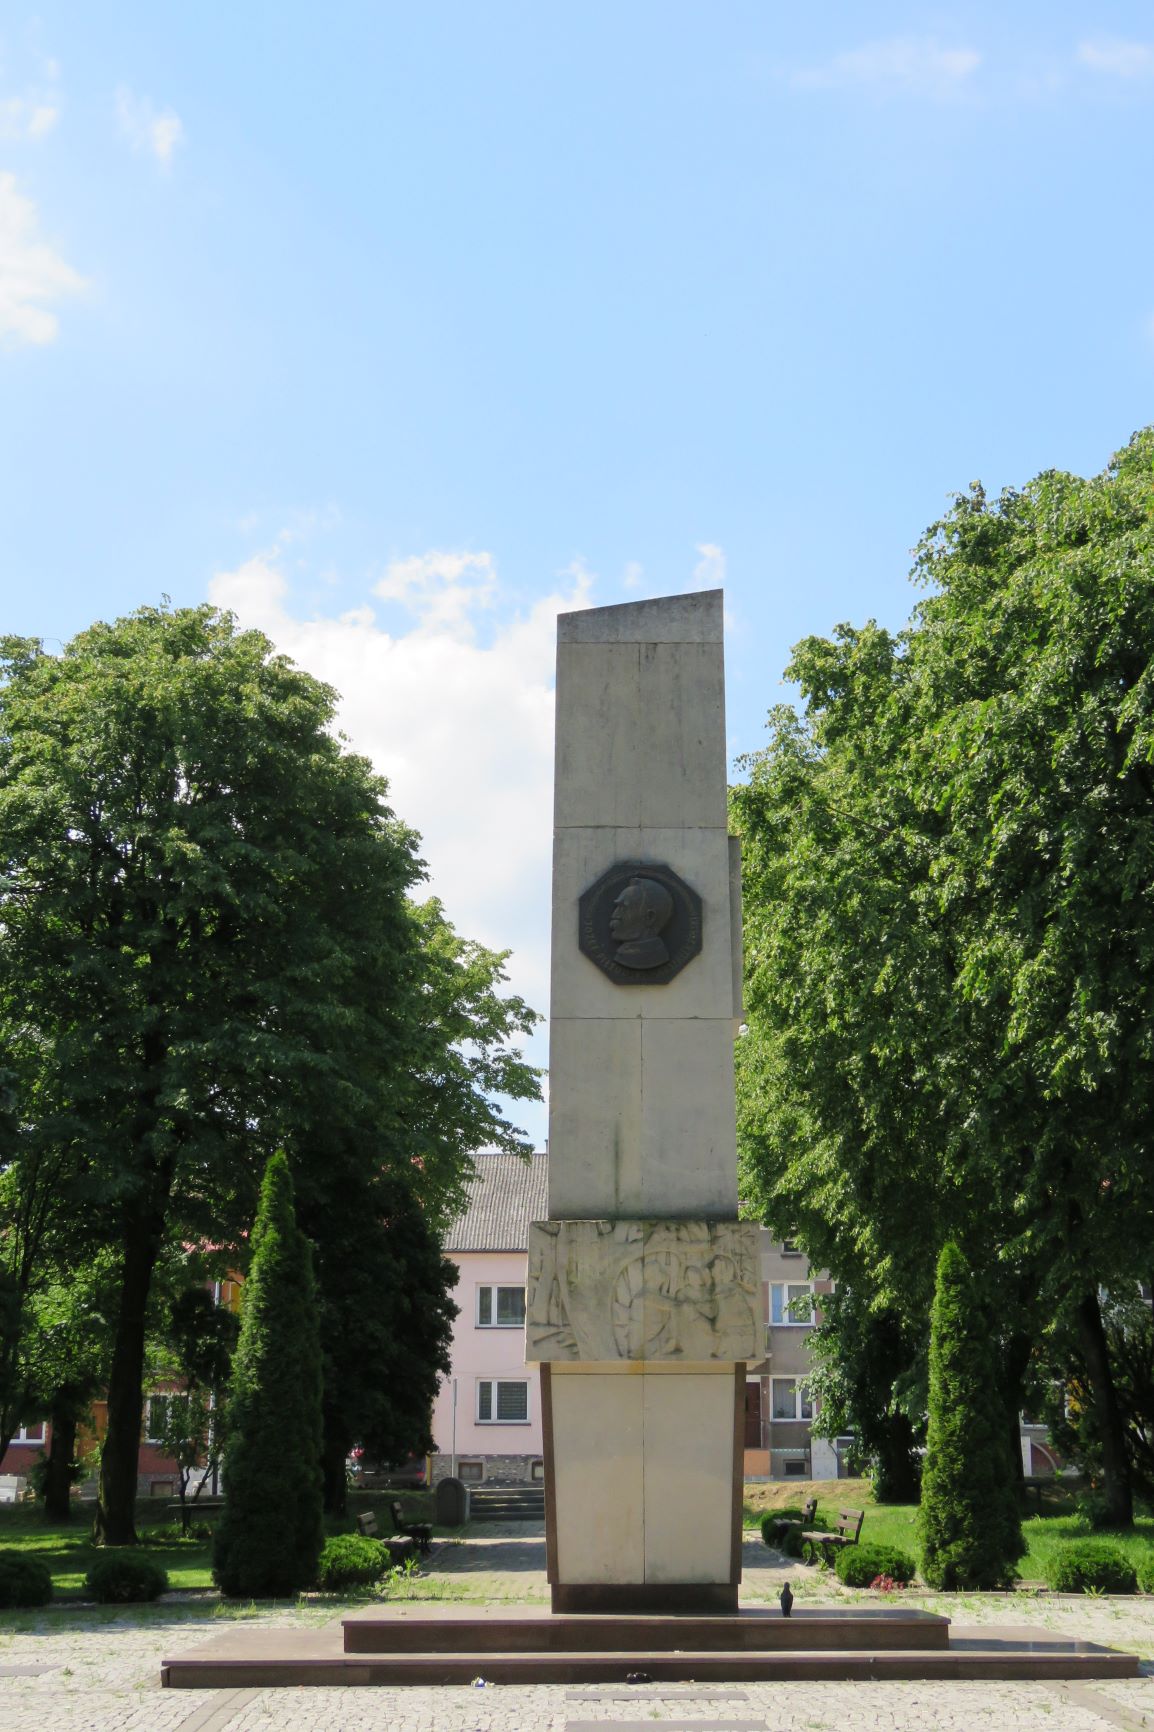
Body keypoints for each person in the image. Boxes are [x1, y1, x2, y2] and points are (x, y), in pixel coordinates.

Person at [608, 875, 673, 969]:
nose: (614, 915)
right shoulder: (624, 952)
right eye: (617, 907)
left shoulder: (651, 956)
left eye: (623, 908)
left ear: (649, 918)